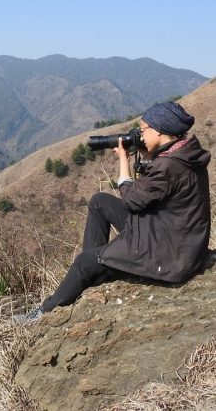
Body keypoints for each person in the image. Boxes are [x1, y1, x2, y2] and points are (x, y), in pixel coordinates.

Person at [16, 101, 211, 323]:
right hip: (173, 238)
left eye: (143, 129)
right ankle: (96, 268)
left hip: (169, 257)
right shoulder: (183, 155)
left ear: (159, 130)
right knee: (100, 202)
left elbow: (133, 201)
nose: (139, 134)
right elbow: (157, 192)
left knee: (84, 261)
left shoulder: (168, 166)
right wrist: (148, 157)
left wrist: (123, 162)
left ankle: (44, 313)